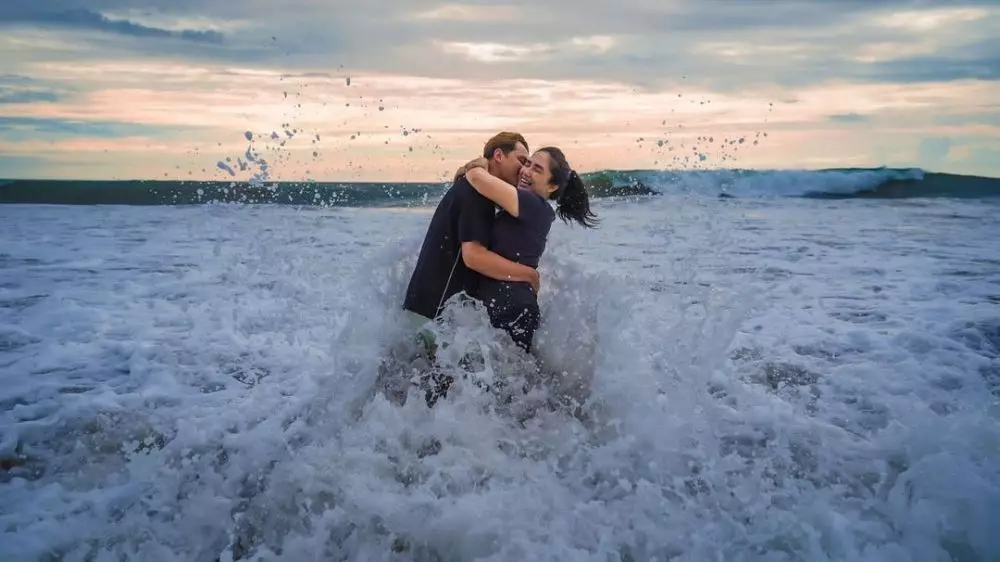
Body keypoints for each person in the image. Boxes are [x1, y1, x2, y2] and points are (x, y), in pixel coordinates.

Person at [381, 132, 540, 407]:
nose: (524, 168)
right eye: (521, 159)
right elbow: (474, 257)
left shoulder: (475, 189)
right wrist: (529, 275)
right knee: (438, 402)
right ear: (498, 156)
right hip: (433, 318)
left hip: (424, 312)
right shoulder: (476, 195)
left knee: (414, 401)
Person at [455, 146, 598, 354]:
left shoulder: (532, 204)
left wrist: (480, 165)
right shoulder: (525, 208)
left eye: (537, 169)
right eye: (527, 164)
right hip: (509, 305)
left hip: (512, 307)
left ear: (552, 186)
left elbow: (478, 180)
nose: (526, 171)